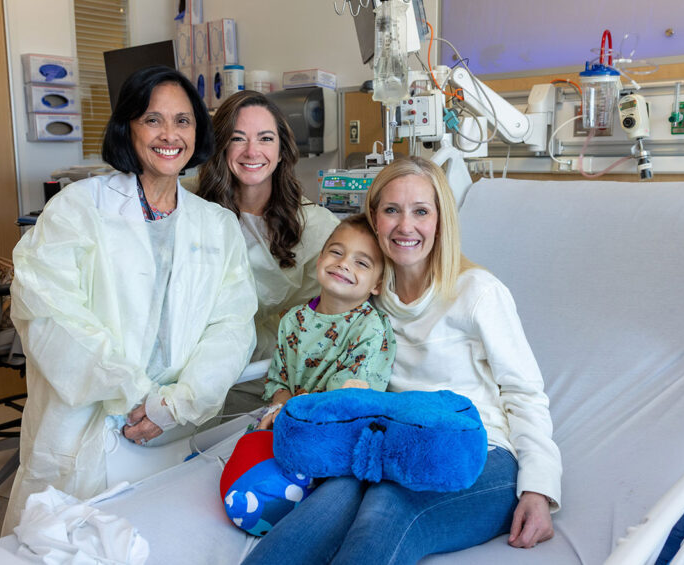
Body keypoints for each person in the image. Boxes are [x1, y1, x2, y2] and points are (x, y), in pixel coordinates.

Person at [242, 157, 562, 564]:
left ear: (441, 221)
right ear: (374, 218)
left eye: (421, 212)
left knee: (387, 510)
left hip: (477, 452)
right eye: (392, 210)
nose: (405, 226)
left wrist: (539, 488)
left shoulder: (478, 294)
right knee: (329, 503)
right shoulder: (371, 296)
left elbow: (525, 393)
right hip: (390, 443)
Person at [2, 66, 257, 534]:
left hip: (174, 426)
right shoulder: (78, 208)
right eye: (152, 119)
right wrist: (133, 394)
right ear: (127, 128)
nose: (170, 135)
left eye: (183, 121)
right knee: (64, 544)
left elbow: (232, 326)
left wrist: (177, 404)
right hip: (87, 423)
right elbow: (48, 313)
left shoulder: (215, 225)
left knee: (164, 539)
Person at [197, 90, 340, 363]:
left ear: (281, 150)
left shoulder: (315, 226)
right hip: (202, 360)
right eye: (238, 138)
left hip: (278, 366)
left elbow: (332, 312)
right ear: (221, 146)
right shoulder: (194, 209)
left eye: (265, 139)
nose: (252, 151)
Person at [257, 215, 396, 430]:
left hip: (337, 429)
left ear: (377, 284)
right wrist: (279, 408)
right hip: (291, 422)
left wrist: (298, 410)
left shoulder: (370, 328)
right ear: (320, 259)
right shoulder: (292, 320)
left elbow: (347, 396)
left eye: (361, 262)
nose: (343, 264)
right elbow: (279, 380)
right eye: (337, 252)